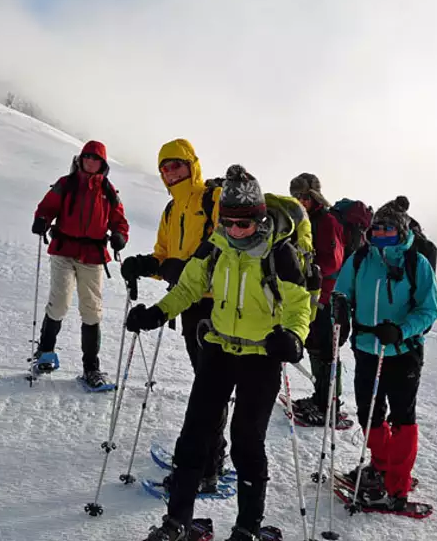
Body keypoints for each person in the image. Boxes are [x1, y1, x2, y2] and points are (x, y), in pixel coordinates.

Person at [127, 165, 311, 541]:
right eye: (227, 222)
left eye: (242, 224)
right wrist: (159, 312)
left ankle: (247, 528)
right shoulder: (216, 246)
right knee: (194, 435)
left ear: (259, 218)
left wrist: (293, 337)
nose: (234, 230)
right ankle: (176, 522)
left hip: (261, 357)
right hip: (218, 349)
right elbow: (189, 288)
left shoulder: (281, 254)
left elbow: (298, 305)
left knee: (246, 441)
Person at [120, 138, 226, 491]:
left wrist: (180, 269)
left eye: (176, 165)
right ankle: (210, 458)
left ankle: (207, 468)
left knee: (209, 388)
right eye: (164, 167)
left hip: (214, 304)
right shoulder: (171, 210)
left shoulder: (211, 200)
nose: (170, 172)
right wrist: (147, 264)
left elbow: (223, 253)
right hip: (187, 304)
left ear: (191, 164)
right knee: (206, 383)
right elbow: (166, 258)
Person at [334, 200, 437, 511]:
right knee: (370, 413)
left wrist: (402, 330)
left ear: (401, 230)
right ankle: (382, 466)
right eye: (376, 228)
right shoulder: (360, 259)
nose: (380, 233)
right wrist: (339, 314)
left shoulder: (416, 263)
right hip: (367, 348)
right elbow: (343, 293)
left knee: (402, 417)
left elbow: (430, 309)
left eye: (387, 228)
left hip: (403, 351)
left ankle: (397, 485)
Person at [30, 141, 129, 389]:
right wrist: (41, 220)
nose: (91, 162)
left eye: (96, 159)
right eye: (87, 157)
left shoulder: (108, 190)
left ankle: (91, 368)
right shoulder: (66, 184)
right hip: (64, 250)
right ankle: (45, 353)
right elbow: (47, 207)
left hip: (93, 255)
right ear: (81, 159)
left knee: (91, 309)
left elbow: (119, 220)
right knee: (60, 300)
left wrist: (120, 236)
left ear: (103, 164)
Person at [288, 173, 346, 426]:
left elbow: (334, 261)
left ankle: (330, 404)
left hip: (325, 295)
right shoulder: (303, 219)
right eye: (295, 197)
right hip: (309, 294)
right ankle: (322, 397)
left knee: (326, 351)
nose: (299, 201)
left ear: (313, 196)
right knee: (314, 346)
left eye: (303, 197)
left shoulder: (327, 221)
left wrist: (308, 268)